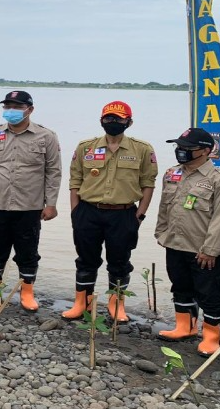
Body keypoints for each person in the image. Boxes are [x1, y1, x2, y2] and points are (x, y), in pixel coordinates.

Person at [0, 90, 62, 311]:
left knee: (27, 250)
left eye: (17, 107)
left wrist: (51, 203)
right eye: (7, 106)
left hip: (29, 206)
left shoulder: (46, 136)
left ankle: (26, 292)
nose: (11, 111)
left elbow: (54, 172)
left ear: (30, 110)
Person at [63, 100, 157, 322]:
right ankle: (82, 303)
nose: (113, 122)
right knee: (86, 260)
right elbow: (75, 180)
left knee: (120, 262)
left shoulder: (142, 149)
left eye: (118, 119)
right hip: (88, 211)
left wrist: (139, 216)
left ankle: (116, 305)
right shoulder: (85, 147)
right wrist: (75, 212)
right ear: (101, 120)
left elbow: (148, 184)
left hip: (123, 214)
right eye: (108, 118)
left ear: (129, 122)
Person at [155, 128, 220, 356]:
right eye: (179, 147)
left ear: (206, 151)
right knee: (180, 285)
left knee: (209, 292)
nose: (182, 152)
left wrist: (211, 249)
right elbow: (164, 207)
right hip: (175, 243)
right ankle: (184, 327)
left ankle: (211, 336)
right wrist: (162, 233)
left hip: (203, 249)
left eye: (188, 149)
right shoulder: (172, 173)